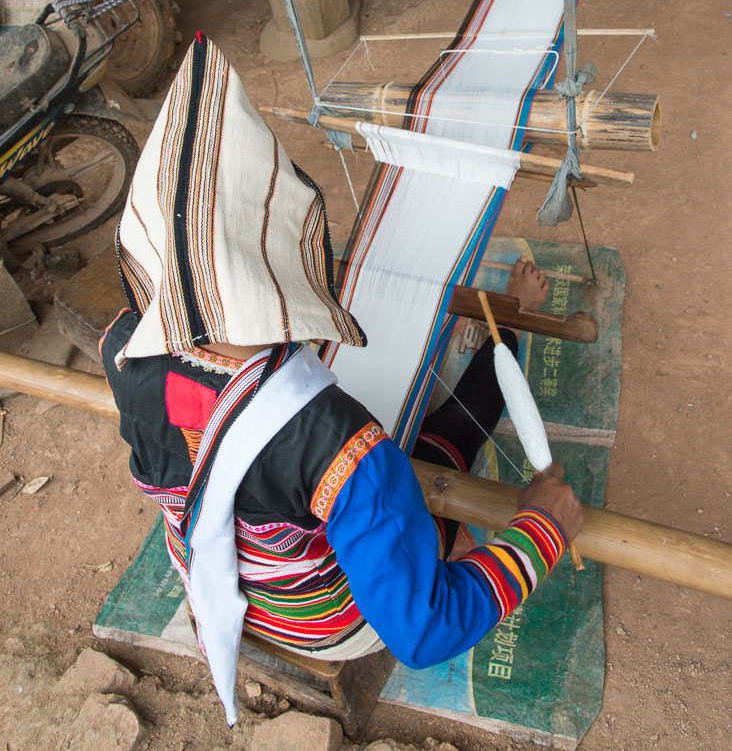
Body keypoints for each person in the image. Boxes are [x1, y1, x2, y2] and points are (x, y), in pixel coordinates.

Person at [101, 35, 583, 725]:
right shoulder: (341, 446)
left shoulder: (123, 350)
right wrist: (543, 529)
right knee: (447, 476)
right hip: (317, 620)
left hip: (224, 582)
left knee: (430, 448)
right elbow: (425, 631)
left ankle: (502, 328)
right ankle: (507, 329)